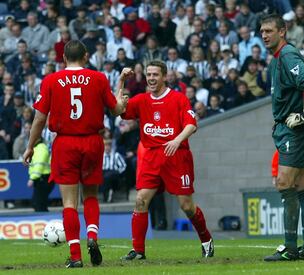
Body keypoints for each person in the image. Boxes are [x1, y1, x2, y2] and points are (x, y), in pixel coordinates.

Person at [22, 40, 128, 268]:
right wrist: (121, 98)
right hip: (92, 141)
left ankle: (76, 255)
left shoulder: (51, 80)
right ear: (86, 56)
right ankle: (92, 235)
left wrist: (30, 146)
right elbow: (117, 110)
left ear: (63, 59)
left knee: (69, 202)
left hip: (65, 144)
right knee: (90, 195)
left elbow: (39, 118)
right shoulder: (98, 78)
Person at [118, 61, 214, 260]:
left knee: (186, 206)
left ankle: (206, 240)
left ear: (164, 77)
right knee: (140, 200)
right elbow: (117, 109)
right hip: (152, 157)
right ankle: (138, 250)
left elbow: (191, 125)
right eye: (148, 75)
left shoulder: (178, 98)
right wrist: (120, 81)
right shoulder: (141, 100)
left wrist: (177, 140)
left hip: (176, 156)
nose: (151, 78)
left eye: (155, 75)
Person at [260, 14, 304, 261]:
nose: (264, 35)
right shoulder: (276, 60)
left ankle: (290, 247)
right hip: (290, 128)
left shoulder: (287, 55)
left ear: (282, 32)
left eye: (269, 31)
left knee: (284, 184)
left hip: (297, 128)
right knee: (301, 185)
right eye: (262, 31)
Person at [27, 136, 54, 212]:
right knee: (40, 203)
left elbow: (39, 165)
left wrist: (32, 178)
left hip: (43, 179)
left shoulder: (40, 149)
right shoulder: (37, 148)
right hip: (42, 179)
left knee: (38, 203)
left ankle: (43, 220)